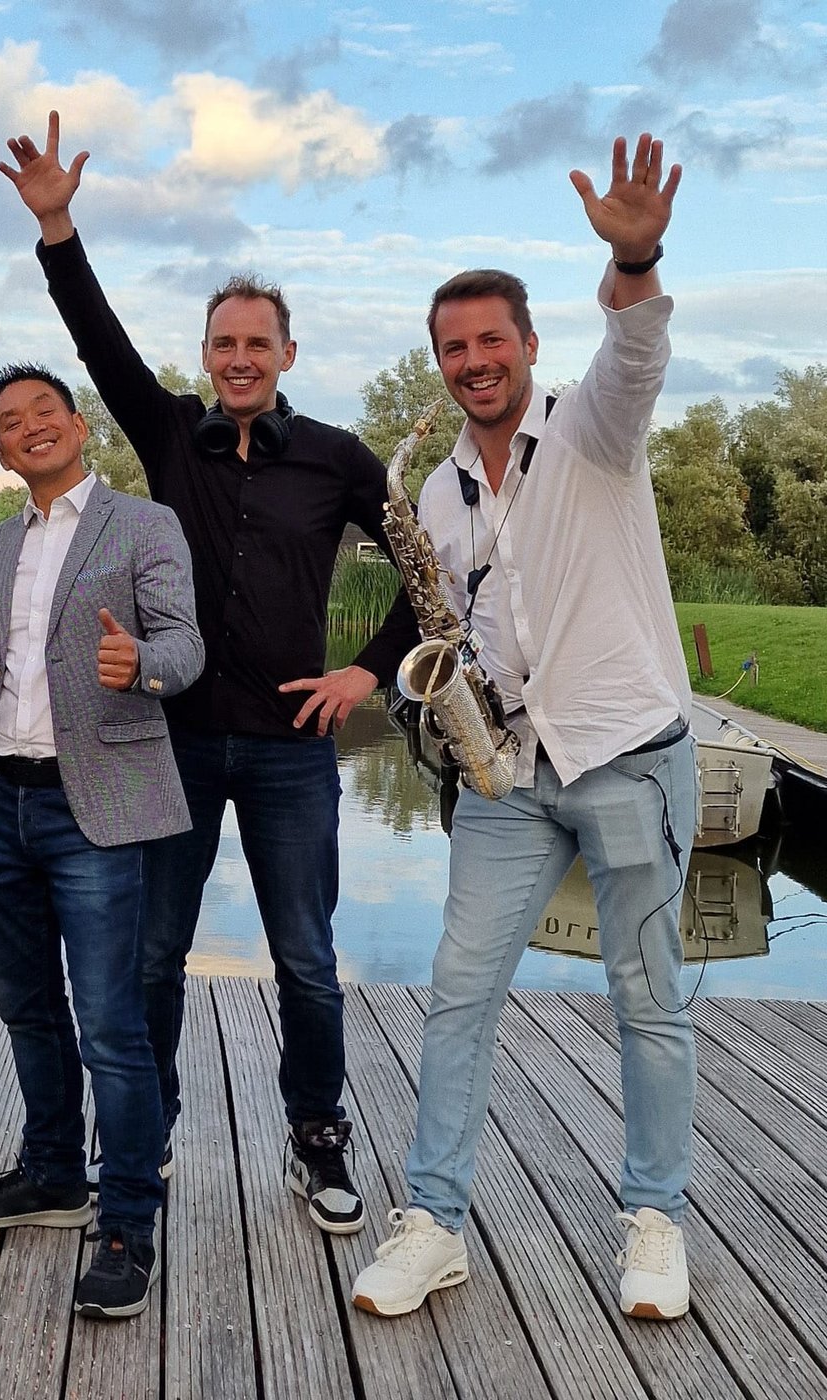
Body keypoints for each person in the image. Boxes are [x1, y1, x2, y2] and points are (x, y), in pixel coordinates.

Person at [0, 111, 418, 1233]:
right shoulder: (170, 434)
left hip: (292, 750)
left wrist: (365, 674)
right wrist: (58, 229)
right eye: (223, 343)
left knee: (307, 959)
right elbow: (96, 343)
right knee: (151, 955)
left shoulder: (337, 458)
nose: (239, 359)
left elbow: (428, 577)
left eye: (257, 344)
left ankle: (316, 1136)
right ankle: (149, 1131)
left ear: (287, 354)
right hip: (171, 740)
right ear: (206, 354)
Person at [350, 134, 696, 1320]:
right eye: (453, 347)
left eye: (490, 339)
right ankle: (432, 1220)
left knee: (646, 996)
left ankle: (653, 1217)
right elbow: (457, 621)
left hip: (627, 757)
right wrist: (442, 701)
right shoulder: (434, 491)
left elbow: (637, 348)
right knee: (457, 990)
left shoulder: (595, 427)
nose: (472, 361)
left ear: (530, 344)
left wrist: (635, 258)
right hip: (508, 775)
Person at [0, 364, 203, 1320]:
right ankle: (52, 1172)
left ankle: (128, 1219)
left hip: (95, 808)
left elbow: (185, 646)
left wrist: (142, 663)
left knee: (112, 1029)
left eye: (44, 411)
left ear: (78, 423)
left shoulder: (145, 525)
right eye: (10, 422)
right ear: (2, 451)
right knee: (26, 1008)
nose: (31, 427)